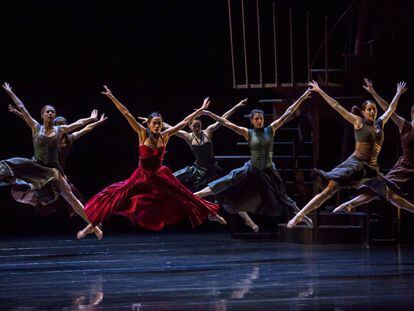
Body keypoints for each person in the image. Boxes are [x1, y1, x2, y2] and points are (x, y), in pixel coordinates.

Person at [77, 86, 226, 238]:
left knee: (184, 193)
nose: (157, 126)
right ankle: (92, 225)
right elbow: (126, 113)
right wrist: (112, 97)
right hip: (141, 176)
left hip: (160, 174)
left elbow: (185, 121)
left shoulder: (165, 135)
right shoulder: (142, 133)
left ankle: (211, 213)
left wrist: (201, 109)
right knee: (117, 196)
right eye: (154, 123)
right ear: (148, 124)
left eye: (159, 123)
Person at [287, 81, 410, 228]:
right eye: (369, 110)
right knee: (329, 191)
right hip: (354, 164)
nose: (373, 112)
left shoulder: (380, 123)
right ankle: (299, 216)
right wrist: (320, 91)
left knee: (390, 195)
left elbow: (390, 109)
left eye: (374, 110)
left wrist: (397, 94)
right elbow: (337, 106)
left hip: (370, 169)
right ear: (363, 112)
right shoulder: (358, 122)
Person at [195, 88, 313, 232]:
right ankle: (200, 193)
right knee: (230, 179)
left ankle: (301, 215)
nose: (259, 121)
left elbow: (288, 113)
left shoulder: (271, 129)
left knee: (281, 194)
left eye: (261, 118)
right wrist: (207, 113)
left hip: (269, 168)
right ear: (252, 121)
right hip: (253, 167)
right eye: (256, 119)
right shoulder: (248, 133)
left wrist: (302, 97)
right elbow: (226, 123)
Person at [1, 82, 102, 239]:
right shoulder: (36, 127)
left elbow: (78, 124)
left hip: (53, 171)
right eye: (48, 112)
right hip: (35, 166)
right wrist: (10, 92)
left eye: (52, 112)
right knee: (8, 164)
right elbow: (23, 108)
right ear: (42, 115)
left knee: (71, 198)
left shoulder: (60, 130)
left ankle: (93, 226)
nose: (50, 114)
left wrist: (91, 118)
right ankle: (17, 182)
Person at [333, 79, 414, 213]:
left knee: (391, 195)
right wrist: (374, 92)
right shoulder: (406, 126)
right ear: (412, 114)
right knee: (381, 190)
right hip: (405, 168)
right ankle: (350, 204)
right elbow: (389, 109)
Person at [168, 98, 247, 191]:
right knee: (178, 180)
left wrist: (236, 106)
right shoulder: (188, 136)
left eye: (199, 126)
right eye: (194, 126)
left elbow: (223, 119)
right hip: (198, 170)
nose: (197, 128)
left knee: (226, 187)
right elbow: (170, 128)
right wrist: (156, 122)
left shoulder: (207, 132)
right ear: (189, 126)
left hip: (213, 168)